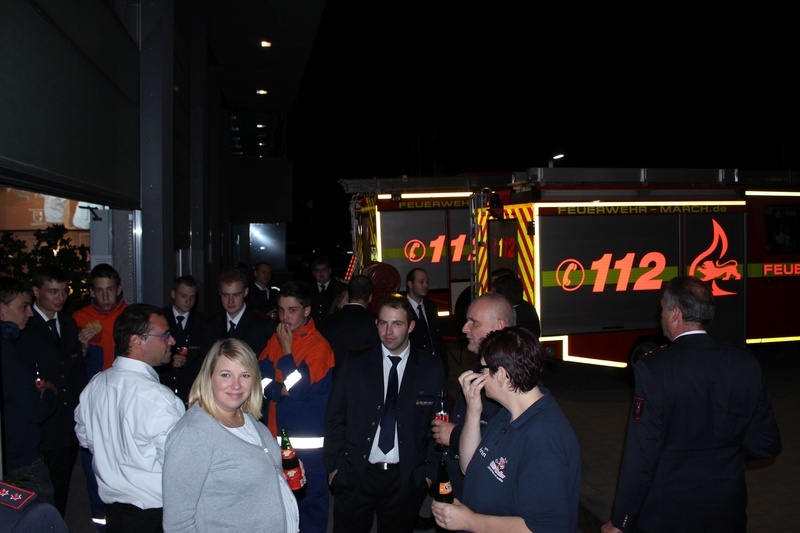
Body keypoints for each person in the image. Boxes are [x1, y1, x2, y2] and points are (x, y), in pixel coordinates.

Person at [602, 276, 782, 533]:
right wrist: (721, 454)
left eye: (663, 308)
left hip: (668, 512)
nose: (660, 315)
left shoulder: (654, 369)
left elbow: (641, 453)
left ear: (675, 313)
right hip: (726, 509)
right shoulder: (745, 363)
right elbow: (766, 443)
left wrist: (622, 519)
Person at [431, 326, 581, 532]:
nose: (478, 375)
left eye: (483, 369)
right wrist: (473, 411)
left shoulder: (544, 438)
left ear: (501, 374)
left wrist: (470, 521)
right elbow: (469, 467)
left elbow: (547, 527)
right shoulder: (508, 413)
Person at [324, 295, 446, 533]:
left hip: (405, 479)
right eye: (383, 323)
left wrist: (428, 475)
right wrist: (335, 467)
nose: (389, 331)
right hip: (356, 474)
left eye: (397, 324)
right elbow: (335, 417)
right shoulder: (354, 362)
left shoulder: (430, 368)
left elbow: (439, 422)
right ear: (376, 324)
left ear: (411, 326)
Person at [163, 338, 300, 532]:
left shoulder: (247, 418)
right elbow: (178, 524)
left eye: (245, 375)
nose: (236, 385)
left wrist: (278, 469)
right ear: (209, 377)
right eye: (226, 375)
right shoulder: (192, 435)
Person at [74, 304, 186, 533]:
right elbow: (180, 465)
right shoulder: (159, 399)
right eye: (165, 335)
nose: (172, 341)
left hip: (114, 513)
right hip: (155, 516)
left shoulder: (95, 385)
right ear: (136, 341)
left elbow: (85, 438)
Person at [425, 293, 512, 523]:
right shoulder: (479, 371)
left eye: (474, 322)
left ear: (499, 327)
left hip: (483, 507)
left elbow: (501, 448)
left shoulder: (508, 384)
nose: (464, 328)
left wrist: (453, 434)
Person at [259, 280, 335, 533]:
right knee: (279, 513)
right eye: (281, 310)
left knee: (309, 513)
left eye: (292, 310)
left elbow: (298, 389)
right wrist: (279, 389)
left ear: (307, 310)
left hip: (308, 452)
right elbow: (258, 379)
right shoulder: (274, 339)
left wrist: (287, 350)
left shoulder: (319, 347)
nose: (285, 317)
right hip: (274, 442)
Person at [18, 265, 87, 517]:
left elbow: (75, 371)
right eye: (53, 291)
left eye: (64, 291)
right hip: (40, 425)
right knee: (38, 495)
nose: (60, 298)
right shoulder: (25, 325)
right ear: (36, 292)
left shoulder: (68, 323)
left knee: (61, 489)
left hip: (66, 423)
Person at [72, 262, 129, 527]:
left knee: (126, 462)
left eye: (110, 290)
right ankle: (101, 523)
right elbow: (69, 367)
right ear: (92, 292)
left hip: (124, 402)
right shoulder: (78, 319)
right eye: (99, 291)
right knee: (94, 466)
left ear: (119, 289)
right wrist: (82, 349)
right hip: (93, 404)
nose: (105, 296)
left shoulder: (131, 317)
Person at [0, 276, 58, 505]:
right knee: (38, 516)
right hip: (21, 461)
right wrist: (49, 393)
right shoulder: (8, 354)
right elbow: (35, 411)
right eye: (23, 307)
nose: (30, 313)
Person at [157, 275, 207, 403]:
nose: (188, 301)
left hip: (192, 390)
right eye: (183, 296)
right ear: (173, 294)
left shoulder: (203, 322)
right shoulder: (160, 318)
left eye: (192, 297)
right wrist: (169, 361)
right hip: (164, 388)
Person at [206, 266, 276, 356]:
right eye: (225, 295)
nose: (230, 301)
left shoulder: (263, 325)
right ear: (220, 293)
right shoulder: (211, 324)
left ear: (245, 292)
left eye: (236, 295)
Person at [318, 274, 378, 377]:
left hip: (334, 379)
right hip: (365, 379)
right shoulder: (376, 322)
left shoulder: (328, 321)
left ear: (347, 296)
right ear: (370, 298)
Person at [405, 267, 449, 377]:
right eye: (421, 282)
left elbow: (437, 337)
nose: (426, 285)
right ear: (410, 284)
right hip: (415, 368)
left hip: (435, 365)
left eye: (427, 282)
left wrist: (444, 365)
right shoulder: (402, 308)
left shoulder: (431, 306)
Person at [491, 273, 541, 339]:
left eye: (494, 292)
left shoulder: (510, 314)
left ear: (502, 296)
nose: (490, 294)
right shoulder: (527, 309)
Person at [309, 256, 346, 331]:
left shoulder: (340, 288)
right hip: (313, 330)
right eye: (317, 270)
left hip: (334, 328)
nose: (321, 273)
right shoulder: (308, 289)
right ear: (313, 273)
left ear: (329, 271)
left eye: (324, 270)